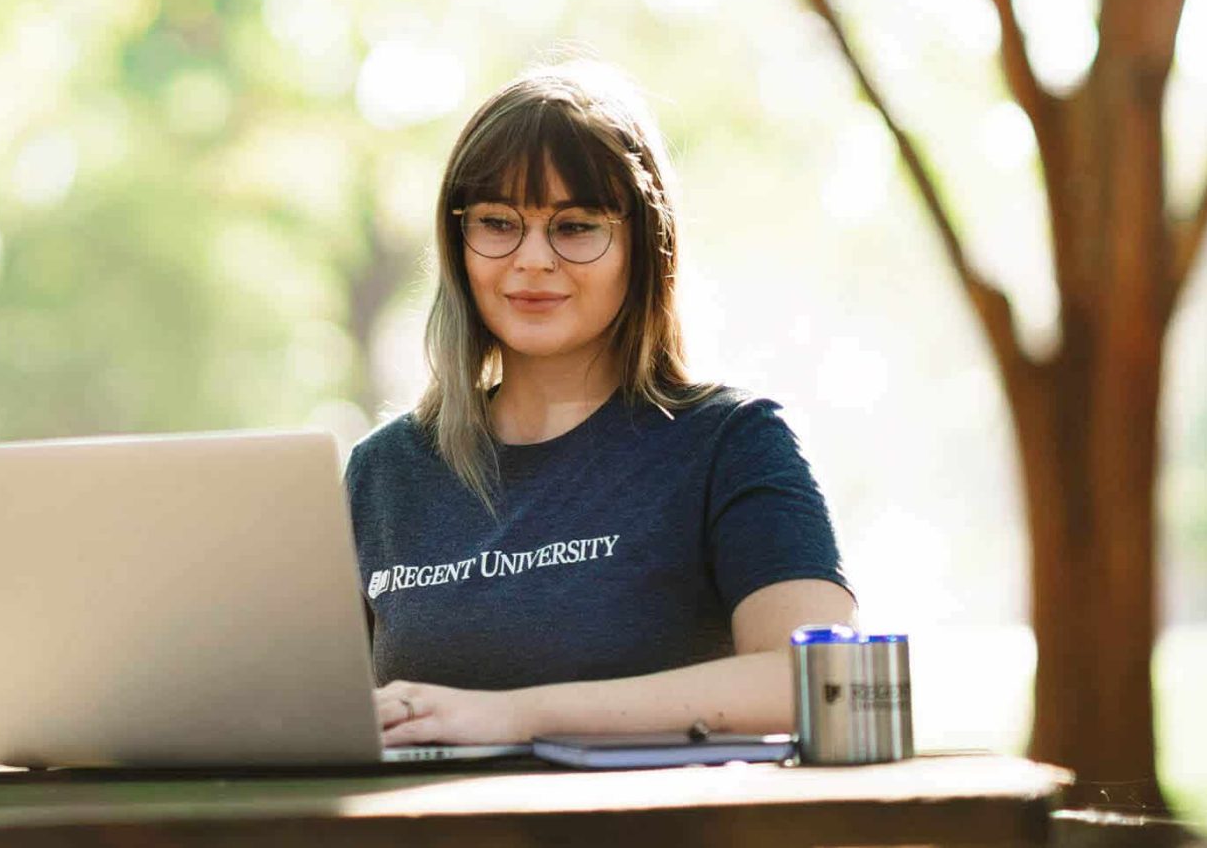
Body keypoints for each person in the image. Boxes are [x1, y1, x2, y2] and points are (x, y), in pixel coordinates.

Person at [344, 60, 857, 747]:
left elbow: (818, 678)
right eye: (497, 223)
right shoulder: (384, 473)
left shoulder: (729, 443)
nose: (531, 259)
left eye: (576, 226)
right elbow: (309, 707)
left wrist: (515, 715)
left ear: (644, 246)